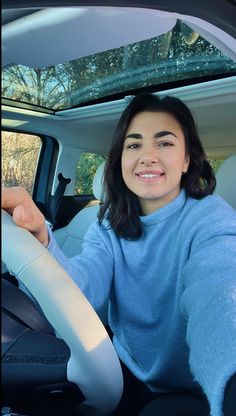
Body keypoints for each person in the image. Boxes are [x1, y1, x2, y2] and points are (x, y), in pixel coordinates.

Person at [2, 93, 236, 416]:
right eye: (134, 144)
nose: (147, 156)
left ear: (187, 160)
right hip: (121, 370)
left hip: (191, 389)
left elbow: (219, 294)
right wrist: (40, 244)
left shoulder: (210, 218)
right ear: (121, 159)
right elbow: (82, 290)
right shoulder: (109, 224)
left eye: (165, 144)